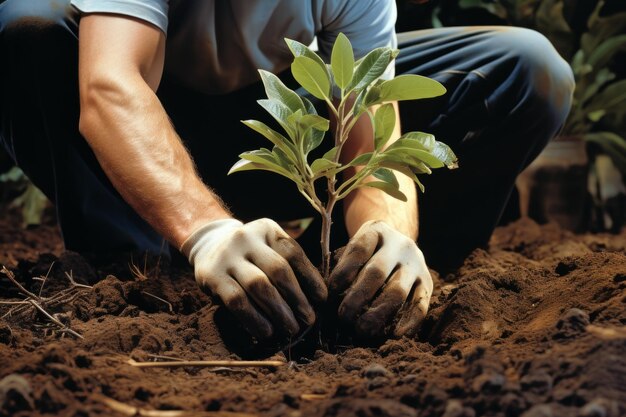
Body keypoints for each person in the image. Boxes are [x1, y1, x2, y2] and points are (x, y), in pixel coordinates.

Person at [0, 0, 574, 341]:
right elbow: (110, 87)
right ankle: (141, 276)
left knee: (523, 67)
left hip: (283, 134)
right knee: (26, 27)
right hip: (149, 152)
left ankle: (364, 286)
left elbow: (373, 129)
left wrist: (392, 231)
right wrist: (206, 231)